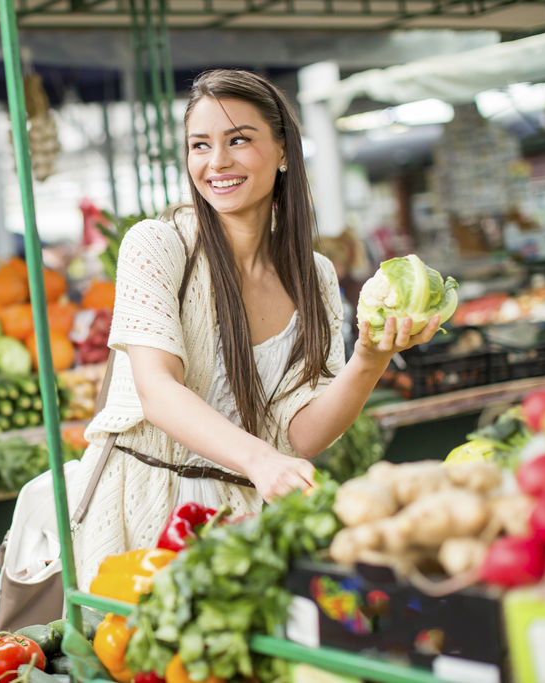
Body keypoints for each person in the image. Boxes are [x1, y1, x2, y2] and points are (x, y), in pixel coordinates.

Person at [68, 69, 440, 588]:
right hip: (141, 515)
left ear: (284, 151)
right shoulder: (156, 245)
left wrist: (370, 359)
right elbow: (157, 391)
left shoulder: (315, 276)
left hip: (241, 529)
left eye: (238, 140)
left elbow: (303, 432)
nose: (216, 162)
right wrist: (261, 461)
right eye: (200, 145)